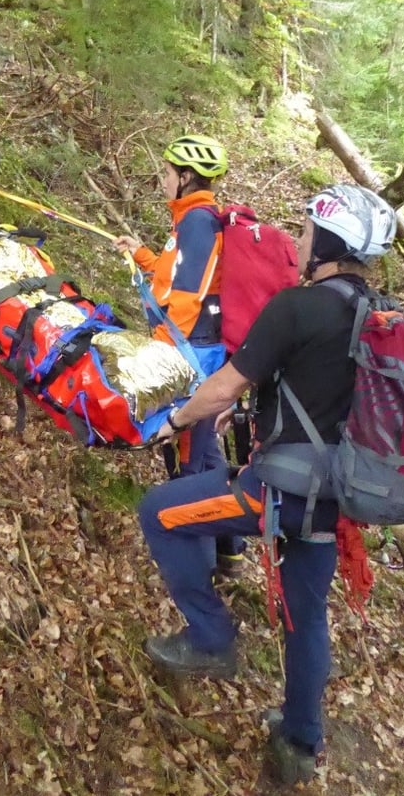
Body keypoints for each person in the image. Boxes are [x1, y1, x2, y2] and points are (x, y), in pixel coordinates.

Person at [138, 184, 397, 784]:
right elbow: (319, 383)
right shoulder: (377, 316)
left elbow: (225, 383)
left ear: (327, 241)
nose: (300, 242)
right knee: (306, 616)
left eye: (306, 232)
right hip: (337, 501)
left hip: (277, 492)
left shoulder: (296, 306)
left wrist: (176, 420)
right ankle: (299, 742)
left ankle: (210, 639)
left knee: (159, 512)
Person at [115, 133, 245, 576]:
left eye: (169, 173)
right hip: (200, 351)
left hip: (192, 358)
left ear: (187, 177)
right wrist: (139, 253)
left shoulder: (197, 223)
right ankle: (230, 551)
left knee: (188, 468)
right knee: (206, 455)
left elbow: (188, 297)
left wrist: (164, 357)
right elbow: (173, 276)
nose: (164, 179)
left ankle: (199, 570)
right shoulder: (190, 220)